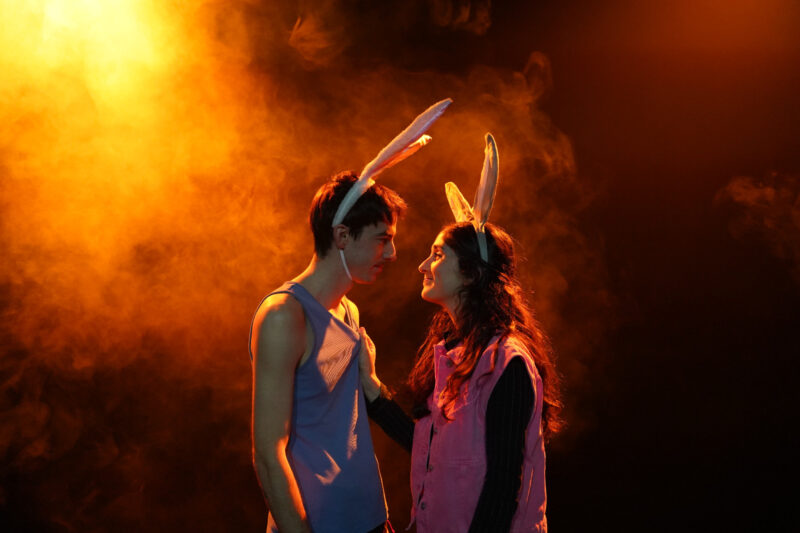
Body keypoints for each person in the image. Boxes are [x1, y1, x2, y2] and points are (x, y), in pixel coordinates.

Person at [249, 99, 451, 533]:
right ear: (341, 235)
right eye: (382, 239)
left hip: (370, 518)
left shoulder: (348, 310)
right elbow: (268, 453)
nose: (392, 253)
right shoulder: (284, 316)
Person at [360, 135, 563, 533]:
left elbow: (502, 488)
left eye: (437, 255)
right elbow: (432, 452)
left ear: (470, 273)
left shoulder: (507, 362)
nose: (423, 265)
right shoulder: (451, 353)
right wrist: (373, 392)